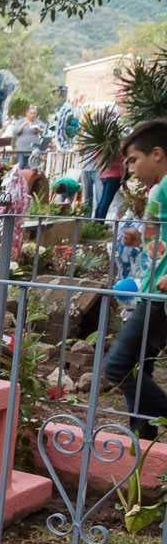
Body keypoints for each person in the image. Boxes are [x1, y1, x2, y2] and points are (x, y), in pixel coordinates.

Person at [103, 120, 167, 439]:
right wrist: (139, 242)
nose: (129, 169)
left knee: (116, 367)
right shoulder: (159, 190)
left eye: (133, 159)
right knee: (143, 365)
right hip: (151, 290)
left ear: (157, 154)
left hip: (158, 296)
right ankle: (142, 439)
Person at [95, 152, 126, 221]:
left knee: (102, 201)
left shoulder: (104, 149)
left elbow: (98, 163)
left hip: (104, 176)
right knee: (105, 202)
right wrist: (123, 178)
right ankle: (99, 224)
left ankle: (96, 223)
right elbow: (123, 164)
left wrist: (101, 174)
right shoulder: (118, 149)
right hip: (114, 177)